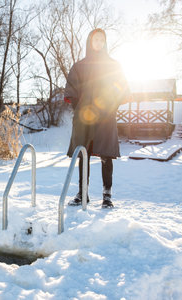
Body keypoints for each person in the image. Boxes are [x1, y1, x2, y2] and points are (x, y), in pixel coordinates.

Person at [64, 28, 130, 208]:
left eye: (102, 40)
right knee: (82, 154)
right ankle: (82, 193)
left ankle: (107, 196)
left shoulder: (113, 65)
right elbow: (72, 88)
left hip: (106, 117)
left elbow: (121, 87)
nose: (99, 43)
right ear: (90, 42)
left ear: (105, 42)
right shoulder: (79, 66)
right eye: (96, 39)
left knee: (106, 155)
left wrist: (112, 107)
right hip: (85, 117)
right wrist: (78, 108)